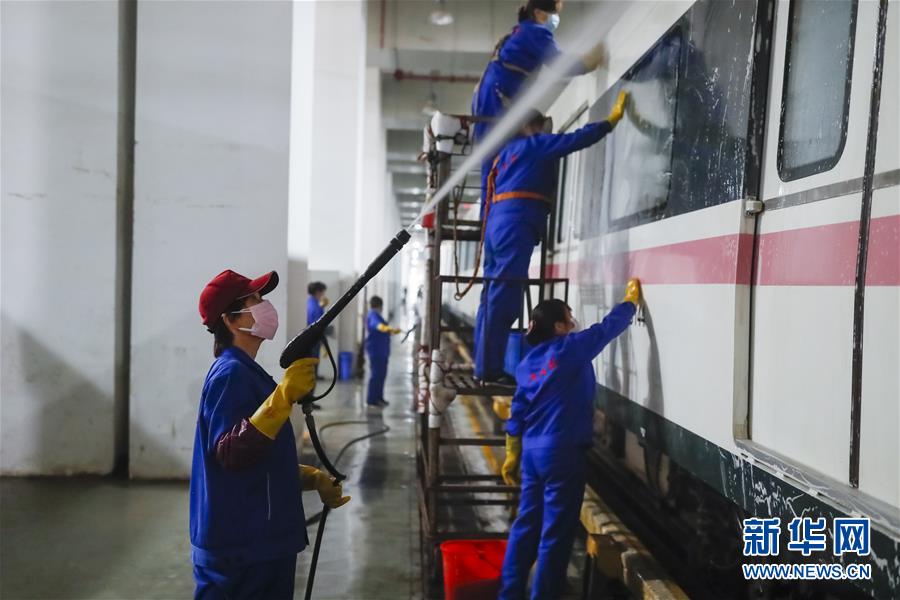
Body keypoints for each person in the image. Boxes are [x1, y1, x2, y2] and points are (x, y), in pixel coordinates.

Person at [191, 269, 350, 600]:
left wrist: (310, 477)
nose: (265, 306)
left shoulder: (247, 371)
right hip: (242, 550)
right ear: (230, 320)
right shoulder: (231, 374)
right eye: (255, 300)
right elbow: (231, 454)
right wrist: (284, 396)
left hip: (258, 542)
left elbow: (258, 458)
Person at [500, 279, 641, 599]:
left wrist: (512, 452)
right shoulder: (569, 348)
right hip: (562, 454)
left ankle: (509, 594)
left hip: (532, 454)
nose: (574, 321)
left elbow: (517, 411)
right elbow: (606, 329)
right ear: (559, 327)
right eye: (569, 316)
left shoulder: (526, 364)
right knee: (555, 535)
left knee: (525, 527)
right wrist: (629, 303)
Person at [474, 92, 627, 382]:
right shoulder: (534, 145)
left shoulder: (504, 155)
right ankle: (489, 370)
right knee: (504, 299)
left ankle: (483, 366)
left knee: (490, 297)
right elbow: (574, 141)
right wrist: (609, 122)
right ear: (533, 126)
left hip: (497, 225)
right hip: (516, 224)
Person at [471, 0, 607, 218]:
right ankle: (488, 220)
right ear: (538, 12)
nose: (555, 18)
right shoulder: (535, 32)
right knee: (494, 163)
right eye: (553, 12)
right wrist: (589, 62)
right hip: (497, 98)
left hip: (488, 97)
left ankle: (486, 222)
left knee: (491, 166)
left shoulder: (520, 31)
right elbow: (559, 63)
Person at [365, 295, 401, 407]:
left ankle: (379, 397)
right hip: (376, 351)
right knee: (376, 375)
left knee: (381, 375)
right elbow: (377, 326)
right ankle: (372, 400)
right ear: (380, 306)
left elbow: (383, 330)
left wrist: (391, 331)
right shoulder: (373, 315)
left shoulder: (377, 315)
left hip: (382, 351)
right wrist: (387, 328)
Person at [306, 281, 328, 381]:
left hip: (310, 335)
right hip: (314, 336)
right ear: (318, 292)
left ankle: (314, 375)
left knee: (313, 356)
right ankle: (313, 376)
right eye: (323, 292)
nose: (323, 294)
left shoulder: (310, 302)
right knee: (314, 357)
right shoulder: (316, 306)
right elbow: (319, 323)